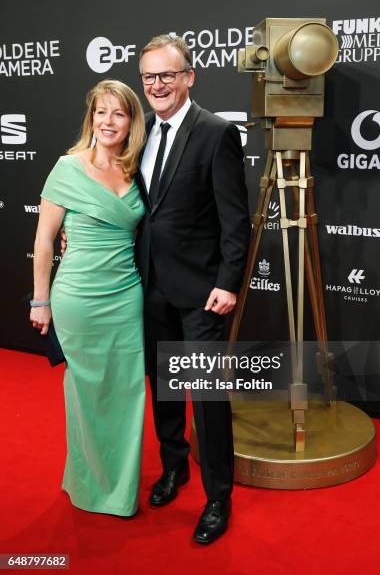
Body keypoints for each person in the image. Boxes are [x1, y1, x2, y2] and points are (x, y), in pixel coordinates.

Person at [137, 35, 250, 543]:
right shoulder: (140, 134)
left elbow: (235, 219)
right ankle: (174, 467)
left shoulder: (216, 132)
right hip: (151, 285)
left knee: (206, 398)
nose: (157, 85)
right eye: (148, 77)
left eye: (166, 75)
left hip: (204, 292)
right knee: (163, 390)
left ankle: (218, 498)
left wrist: (228, 283)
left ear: (189, 77)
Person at [30, 79, 146, 517]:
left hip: (126, 296)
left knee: (127, 391)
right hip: (78, 296)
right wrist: (40, 301)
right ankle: (87, 482)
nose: (108, 121)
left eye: (118, 113)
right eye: (101, 112)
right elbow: (44, 242)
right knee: (85, 393)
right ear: (91, 117)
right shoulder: (67, 168)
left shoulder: (139, 168)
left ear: (131, 120)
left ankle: (120, 489)